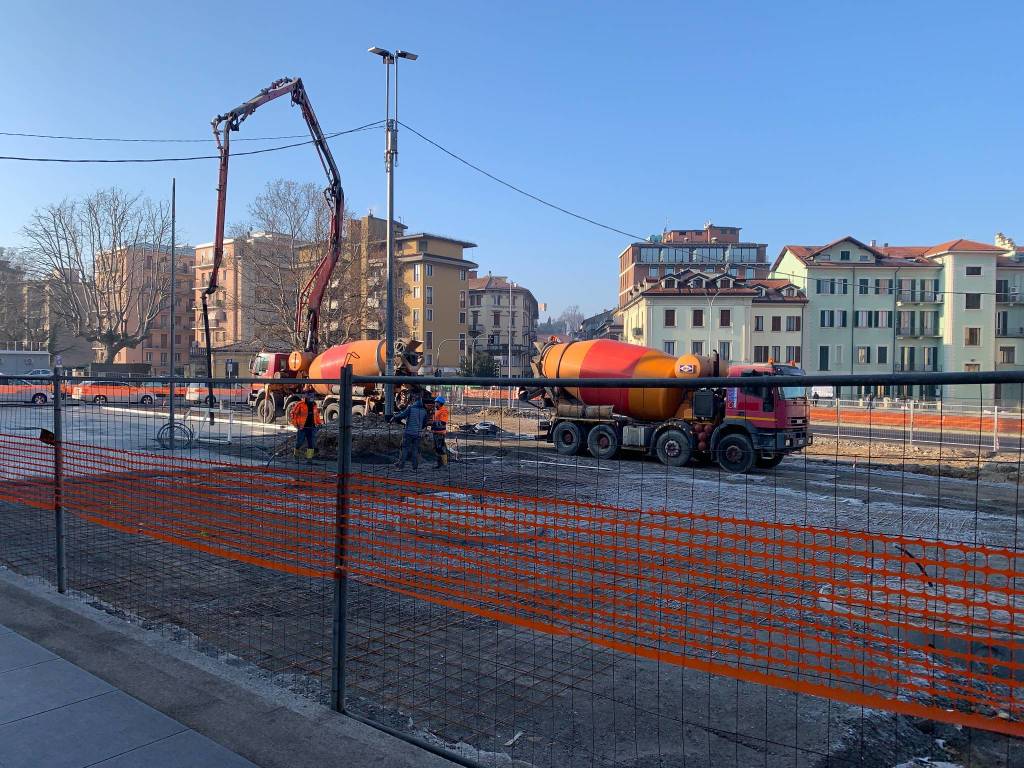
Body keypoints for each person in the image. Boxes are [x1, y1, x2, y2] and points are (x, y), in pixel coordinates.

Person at [391, 395, 429, 470]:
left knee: (404, 449)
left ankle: (401, 466)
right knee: (415, 450)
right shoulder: (424, 411)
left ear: (414, 401)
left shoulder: (411, 408)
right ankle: (414, 467)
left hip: (408, 433)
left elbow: (402, 415)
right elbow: (424, 424)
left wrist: (394, 417)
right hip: (417, 434)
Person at [290, 388, 321, 463]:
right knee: (299, 442)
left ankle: (309, 459)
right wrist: (296, 425)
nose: (311, 397)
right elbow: (293, 415)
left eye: (312, 395)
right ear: (306, 395)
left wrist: (319, 423)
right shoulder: (300, 404)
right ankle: (296, 457)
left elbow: (316, 415)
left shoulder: (314, 405)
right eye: (310, 395)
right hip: (302, 428)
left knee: (311, 444)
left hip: (312, 427)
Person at [430, 395, 450, 468]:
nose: (435, 404)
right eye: (435, 402)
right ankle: (439, 464)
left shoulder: (444, 411)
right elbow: (435, 421)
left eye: (436, 402)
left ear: (440, 403)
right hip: (436, 432)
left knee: (441, 449)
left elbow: (443, 422)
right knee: (437, 449)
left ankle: (444, 464)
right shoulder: (437, 411)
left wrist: (432, 423)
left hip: (440, 433)